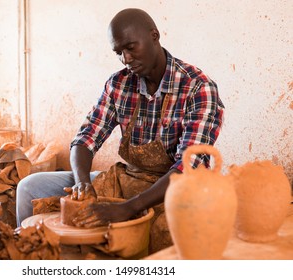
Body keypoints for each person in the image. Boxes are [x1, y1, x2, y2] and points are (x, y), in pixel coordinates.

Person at [16, 8, 224, 252]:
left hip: (179, 191)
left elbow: (189, 168)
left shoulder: (198, 87)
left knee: (167, 240)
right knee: (29, 187)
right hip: (129, 180)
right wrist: (83, 183)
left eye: (131, 47)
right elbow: (84, 139)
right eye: (118, 52)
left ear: (154, 36)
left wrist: (127, 208)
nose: (125, 58)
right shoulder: (119, 83)